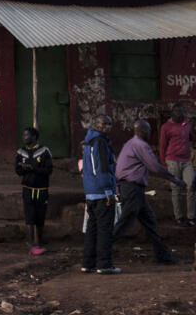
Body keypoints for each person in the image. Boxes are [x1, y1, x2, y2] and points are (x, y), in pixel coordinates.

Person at [113, 119, 186, 265]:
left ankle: (162, 256)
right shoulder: (141, 145)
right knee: (124, 223)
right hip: (133, 189)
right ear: (144, 131)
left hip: (132, 189)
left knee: (150, 222)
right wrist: (176, 180)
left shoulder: (129, 143)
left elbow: (119, 169)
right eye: (149, 130)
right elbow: (155, 167)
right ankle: (99, 253)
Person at [81, 114, 119, 274]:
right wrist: (109, 192)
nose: (107, 127)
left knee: (92, 230)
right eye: (104, 124)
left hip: (90, 193)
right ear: (96, 125)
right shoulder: (100, 142)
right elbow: (102, 168)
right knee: (104, 230)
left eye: (109, 124)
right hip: (102, 193)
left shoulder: (88, 141)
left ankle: (88, 264)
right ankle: (104, 265)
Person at [15, 127, 53, 255]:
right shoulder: (21, 152)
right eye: (24, 135)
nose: (24, 137)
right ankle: (31, 244)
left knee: (40, 218)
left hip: (41, 190)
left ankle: (39, 243)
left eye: (27, 135)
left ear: (34, 137)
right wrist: (24, 168)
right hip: (27, 189)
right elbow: (18, 170)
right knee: (29, 217)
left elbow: (48, 170)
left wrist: (33, 168)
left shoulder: (44, 151)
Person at [158, 104, 195, 226]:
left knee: (192, 186)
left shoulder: (187, 124)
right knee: (176, 189)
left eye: (181, 111)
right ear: (172, 113)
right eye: (177, 111)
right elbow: (162, 146)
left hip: (186, 160)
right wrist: (164, 164)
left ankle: (191, 217)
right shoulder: (166, 127)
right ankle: (179, 217)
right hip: (172, 161)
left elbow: (192, 138)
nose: (179, 114)